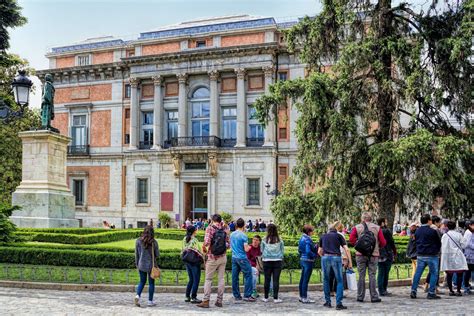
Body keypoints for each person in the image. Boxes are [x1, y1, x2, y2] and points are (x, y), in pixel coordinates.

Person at [349, 212, 386, 303]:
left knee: (361, 275)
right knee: (372, 275)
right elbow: (383, 242)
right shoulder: (377, 228)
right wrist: (376, 247)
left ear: (362, 219)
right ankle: (374, 296)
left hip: (360, 255)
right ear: (371, 218)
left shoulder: (357, 227)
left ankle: (360, 296)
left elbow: (351, 240)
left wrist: (359, 246)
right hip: (373, 255)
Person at [197, 214, 230, 308]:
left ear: (212, 220)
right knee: (221, 279)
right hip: (223, 257)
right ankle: (219, 300)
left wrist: (204, 247)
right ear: (220, 220)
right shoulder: (225, 229)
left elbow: (207, 242)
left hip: (212, 257)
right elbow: (228, 245)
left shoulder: (210, 228)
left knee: (208, 279)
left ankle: (206, 300)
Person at [319, 221, 353, 310]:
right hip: (336, 258)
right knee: (339, 281)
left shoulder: (323, 236)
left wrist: (325, 257)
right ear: (336, 229)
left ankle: (328, 302)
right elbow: (346, 249)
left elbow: (319, 251)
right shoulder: (339, 236)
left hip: (325, 258)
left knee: (326, 280)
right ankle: (338, 304)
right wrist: (350, 262)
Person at [410, 214, 442, 299]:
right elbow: (438, 243)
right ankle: (431, 292)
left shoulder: (417, 231)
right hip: (432, 255)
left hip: (421, 255)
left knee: (418, 273)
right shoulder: (432, 231)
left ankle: (413, 291)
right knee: (434, 273)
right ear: (428, 221)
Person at [230, 218, 255, 302]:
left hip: (234, 257)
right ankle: (247, 295)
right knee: (248, 275)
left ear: (236, 225)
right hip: (242, 258)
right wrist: (251, 246)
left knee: (235, 277)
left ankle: (236, 295)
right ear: (244, 225)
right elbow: (246, 249)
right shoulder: (243, 235)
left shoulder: (232, 234)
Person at [440, 220, 468, 296]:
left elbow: (442, 246)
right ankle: (458, 290)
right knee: (459, 274)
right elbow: (464, 245)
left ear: (447, 227)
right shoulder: (458, 235)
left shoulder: (445, 235)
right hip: (458, 255)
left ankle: (451, 290)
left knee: (449, 274)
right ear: (455, 226)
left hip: (448, 257)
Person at [134, 225, 159, 307]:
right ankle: (150, 301)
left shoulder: (138, 241)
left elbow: (136, 254)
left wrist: (137, 264)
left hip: (141, 264)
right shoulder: (154, 242)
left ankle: (137, 295)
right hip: (151, 265)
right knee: (151, 283)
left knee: (142, 281)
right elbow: (157, 254)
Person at [261, 223, 284, 303]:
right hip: (277, 261)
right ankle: (275, 298)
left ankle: (266, 297)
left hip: (266, 261)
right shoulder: (279, 239)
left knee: (267, 279)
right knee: (276, 280)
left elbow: (262, 250)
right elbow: (282, 250)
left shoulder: (264, 239)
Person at [376, 218, 397, 296]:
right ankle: (383, 290)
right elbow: (391, 242)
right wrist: (394, 252)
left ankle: (381, 289)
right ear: (382, 223)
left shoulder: (376, 230)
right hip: (387, 253)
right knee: (385, 272)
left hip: (378, 253)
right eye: (386, 221)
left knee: (380, 272)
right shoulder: (386, 231)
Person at [182, 226, 203, 304]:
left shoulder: (184, 239)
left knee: (191, 279)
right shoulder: (194, 240)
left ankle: (187, 296)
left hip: (187, 261)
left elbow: (183, 249)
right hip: (194, 261)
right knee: (196, 279)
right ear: (194, 231)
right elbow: (198, 251)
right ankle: (193, 297)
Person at [298, 224, 318, 304]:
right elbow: (308, 251)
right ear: (309, 231)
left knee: (302, 279)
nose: (312, 233)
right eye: (312, 231)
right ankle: (304, 297)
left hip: (303, 259)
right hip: (308, 260)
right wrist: (315, 255)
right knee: (305, 280)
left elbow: (299, 250)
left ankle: (301, 296)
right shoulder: (307, 239)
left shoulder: (302, 238)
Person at [463, 219, 474, 294]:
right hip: (469, 255)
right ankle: (466, 286)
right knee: (468, 272)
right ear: (470, 225)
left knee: (468, 271)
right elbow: (467, 244)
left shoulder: (470, 232)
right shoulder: (469, 233)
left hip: (471, 255)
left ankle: (466, 286)